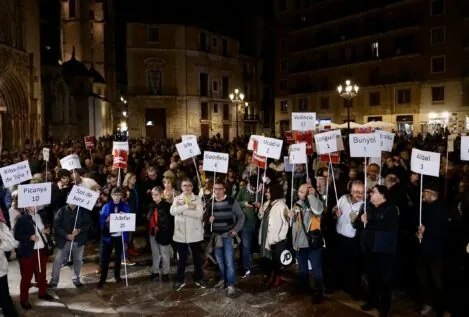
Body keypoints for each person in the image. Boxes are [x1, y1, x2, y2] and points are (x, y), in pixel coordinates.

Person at [355, 185, 399, 317]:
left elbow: (385, 226)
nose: (370, 194)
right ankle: (372, 301)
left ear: (382, 195)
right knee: (371, 277)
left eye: (373, 192)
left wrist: (367, 222)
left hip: (384, 250)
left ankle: (384, 306)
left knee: (384, 280)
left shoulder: (391, 209)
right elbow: (357, 224)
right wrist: (360, 221)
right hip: (369, 248)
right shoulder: (366, 206)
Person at [416, 182, 448, 317]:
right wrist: (417, 233)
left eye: (425, 192)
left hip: (435, 250)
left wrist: (427, 231)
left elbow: (445, 231)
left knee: (436, 280)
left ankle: (441, 307)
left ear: (430, 194)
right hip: (422, 249)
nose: (423, 194)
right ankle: (428, 303)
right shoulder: (422, 208)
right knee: (423, 279)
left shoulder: (442, 209)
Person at [208, 181, 245, 296]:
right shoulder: (211, 202)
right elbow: (206, 217)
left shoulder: (231, 201)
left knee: (229, 261)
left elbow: (241, 216)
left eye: (219, 189)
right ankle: (223, 280)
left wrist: (236, 230)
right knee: (220, 261)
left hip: (227, 236)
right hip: (216, 236)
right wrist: (208, 219)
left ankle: (230, 284)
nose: (217, 191)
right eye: (215, 189)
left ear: (224, 189)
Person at [290, 183, 325, 303]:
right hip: (300, 243)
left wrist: (312, 195)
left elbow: (317, 210)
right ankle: (304, 287)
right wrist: (290, 216)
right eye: (299, 191)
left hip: (313, 244)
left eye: (302, 191)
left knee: (316, 270)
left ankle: (318, 292)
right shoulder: (297, 204)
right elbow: (295, 226)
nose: (299, 193)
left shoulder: (317, 202)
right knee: (302, 269)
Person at [14, 207, 54, 310]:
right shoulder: (21, 219)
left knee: (42, 272)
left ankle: (42, 293)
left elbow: (42, 230)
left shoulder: (40, 216)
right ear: (27, 206)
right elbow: (16, 235)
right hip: (29, 251)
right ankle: (23, 300)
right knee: (27, 275)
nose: (36, 206)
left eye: (37, 204)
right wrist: (29, 237)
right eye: (32, 204)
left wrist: (45, 231)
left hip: (42, 249)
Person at [170, 178, 205, 291]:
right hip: (181, 234)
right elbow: (172, 211)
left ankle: (199, 278)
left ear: (192, 187)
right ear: (181, 187)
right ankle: (179, 280)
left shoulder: (198, 199)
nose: (187, 187)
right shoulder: (176, 198)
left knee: (197, 258)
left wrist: (182, 210)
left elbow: (199, 215)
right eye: (184, 185)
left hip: (194, 233)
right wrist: (187, 206)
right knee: (182, 259)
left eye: (189, 185)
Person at [48, 201, 92, 288]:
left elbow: (88, 224)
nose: (72, 202)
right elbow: (56, 226)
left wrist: (79, 230)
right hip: (64, 241)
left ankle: (76, 279)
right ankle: (54, 280)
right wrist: (66, 235)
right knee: (58, 261)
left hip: (78, 241)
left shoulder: (83, 211)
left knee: (78, 261)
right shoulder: (61, 211)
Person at [98, 187, 131, 288]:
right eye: (115, 195)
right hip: (108, 236)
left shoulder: (125, 206)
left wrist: (124, 216)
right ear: (111, 196)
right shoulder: (106, 206)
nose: (117, 197)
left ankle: (117, 276)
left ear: (121, 196)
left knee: (118, 257)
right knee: (105, 258)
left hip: (119, 235)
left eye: (119, 195)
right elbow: (100, 222)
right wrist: (106, 220)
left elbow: (129, 219)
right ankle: (102, 279)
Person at [258, 182, 289, 288]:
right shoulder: (267, 203)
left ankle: (277, 277)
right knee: (267, 258)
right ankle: (270, 275)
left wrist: (281, 237)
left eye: (268, 191)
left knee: (275, 259)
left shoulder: (282, 205)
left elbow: (286, 223)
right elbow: (261, 217)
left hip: (275, 237)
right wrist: (260, 212)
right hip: (265, 235)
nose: (266, 192)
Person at [236, 174, 262, 279]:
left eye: (256, 185)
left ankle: (249, 263)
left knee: (252, 246)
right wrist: (245, 203)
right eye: (252, 185)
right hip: (246, 223)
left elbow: (265, 202)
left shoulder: (261, 190)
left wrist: (260, 205)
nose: (254, 188)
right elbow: (236, 202)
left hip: (258, 223)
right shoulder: (243, 190)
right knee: (246, 246)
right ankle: (246, 268)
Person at [147, 187, 174, 282]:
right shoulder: (151, 205)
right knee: (155, 253)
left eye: (156, 194)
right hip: (152, 233)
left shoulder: (167, 206)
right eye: (153, 194)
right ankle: (155, 271)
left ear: (161, 194)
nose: (154, 196)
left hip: (164, 233)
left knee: (164, 253)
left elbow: (170, 222)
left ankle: (165, 272)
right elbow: (148, 219)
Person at [0, 209, 19, 317]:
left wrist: (1, 242)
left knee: (4, 295)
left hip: (0, 270)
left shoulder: (1, 226)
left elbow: (13, 243)